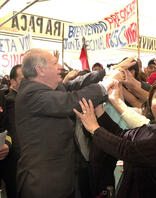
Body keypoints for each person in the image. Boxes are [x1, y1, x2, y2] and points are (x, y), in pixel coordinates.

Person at [15, 48, 129, 198]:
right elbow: (70, 101)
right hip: (44, 184)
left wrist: (108, 71)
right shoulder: (31, 94)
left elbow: (77, 83)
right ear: (40, 70)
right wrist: (104, 85)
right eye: (55, 63)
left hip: (62, 179)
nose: (60, 67)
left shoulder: (51, 88)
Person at [74, 75, 156, 198]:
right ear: (150, 102)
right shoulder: (150, 128)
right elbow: (121, 135)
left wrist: (94, 129)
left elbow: (129, 151)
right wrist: (100, 110)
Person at [0, 64, 24, 198]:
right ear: (13, 82)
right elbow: (14, 132)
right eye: (23, 79)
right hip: (15, 163)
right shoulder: (12, 100)